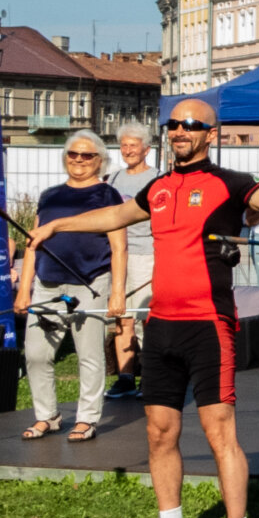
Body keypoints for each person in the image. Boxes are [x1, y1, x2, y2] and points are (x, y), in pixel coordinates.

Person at [29, 98, 259, 518]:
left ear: (212, 133)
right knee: (159, 431)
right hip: (162, 324)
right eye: (172, 124)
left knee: (219, 433)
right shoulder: (160, 186)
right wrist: (57, 225)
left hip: (208, 324)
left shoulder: (230, 183)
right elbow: (116, 216)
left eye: (190, 124)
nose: (179, 131)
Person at [16, 132, 128, 441]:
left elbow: (119, 247)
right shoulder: (50, 195)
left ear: (100, 161)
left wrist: (117, 292)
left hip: (91, 281)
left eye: (86, 155)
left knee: (89, 354)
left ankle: (87, 419)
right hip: (47, 283)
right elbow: (32, 243)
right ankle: (47, 416)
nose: (78, 160)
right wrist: (24, 289)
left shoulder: (107, 195)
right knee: (37, 354)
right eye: (72, 154)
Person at [106, 120, 159, 400]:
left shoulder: (158, 178)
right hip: (118, 255)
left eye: (133, 145)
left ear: (146, 149)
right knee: (121, 317)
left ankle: (150, 378)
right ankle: (125, 378)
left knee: (145, 318)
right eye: (124, 145)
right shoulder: (114, 179)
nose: (127, 150)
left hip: (146, 254)